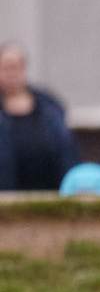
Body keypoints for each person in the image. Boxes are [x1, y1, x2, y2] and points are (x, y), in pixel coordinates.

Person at [0, 42, 78, 191]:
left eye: (15, 67)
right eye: (6, 68)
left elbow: (67, 151)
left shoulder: (49, 107)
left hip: (50, 191)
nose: (11, 74)